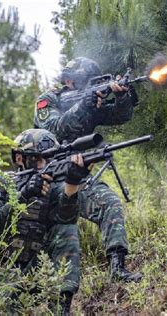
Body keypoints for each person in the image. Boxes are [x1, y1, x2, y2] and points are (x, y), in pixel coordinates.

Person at [33, 57, 142, 282]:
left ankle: (117, 266)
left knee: (109, 203)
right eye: (77, 82)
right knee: (43, 237)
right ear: (69, 81)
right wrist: (86, 104)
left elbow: (122, 116)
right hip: (44, 178)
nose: (76, 85)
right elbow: (56, 129)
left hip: (75, 172)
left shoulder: (93, 104)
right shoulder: (48, 100)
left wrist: (121, 95)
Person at [0, 128, 90, 314]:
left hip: (40, 271)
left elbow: (67, 218)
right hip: (3, 272)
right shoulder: (0, 184)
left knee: (67, 230)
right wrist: (23, 196)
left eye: (47, 160)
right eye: (36, 159)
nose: (42, 166)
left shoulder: (54, 185)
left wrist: (72, 184)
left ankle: (61, 306)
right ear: (19, 158)